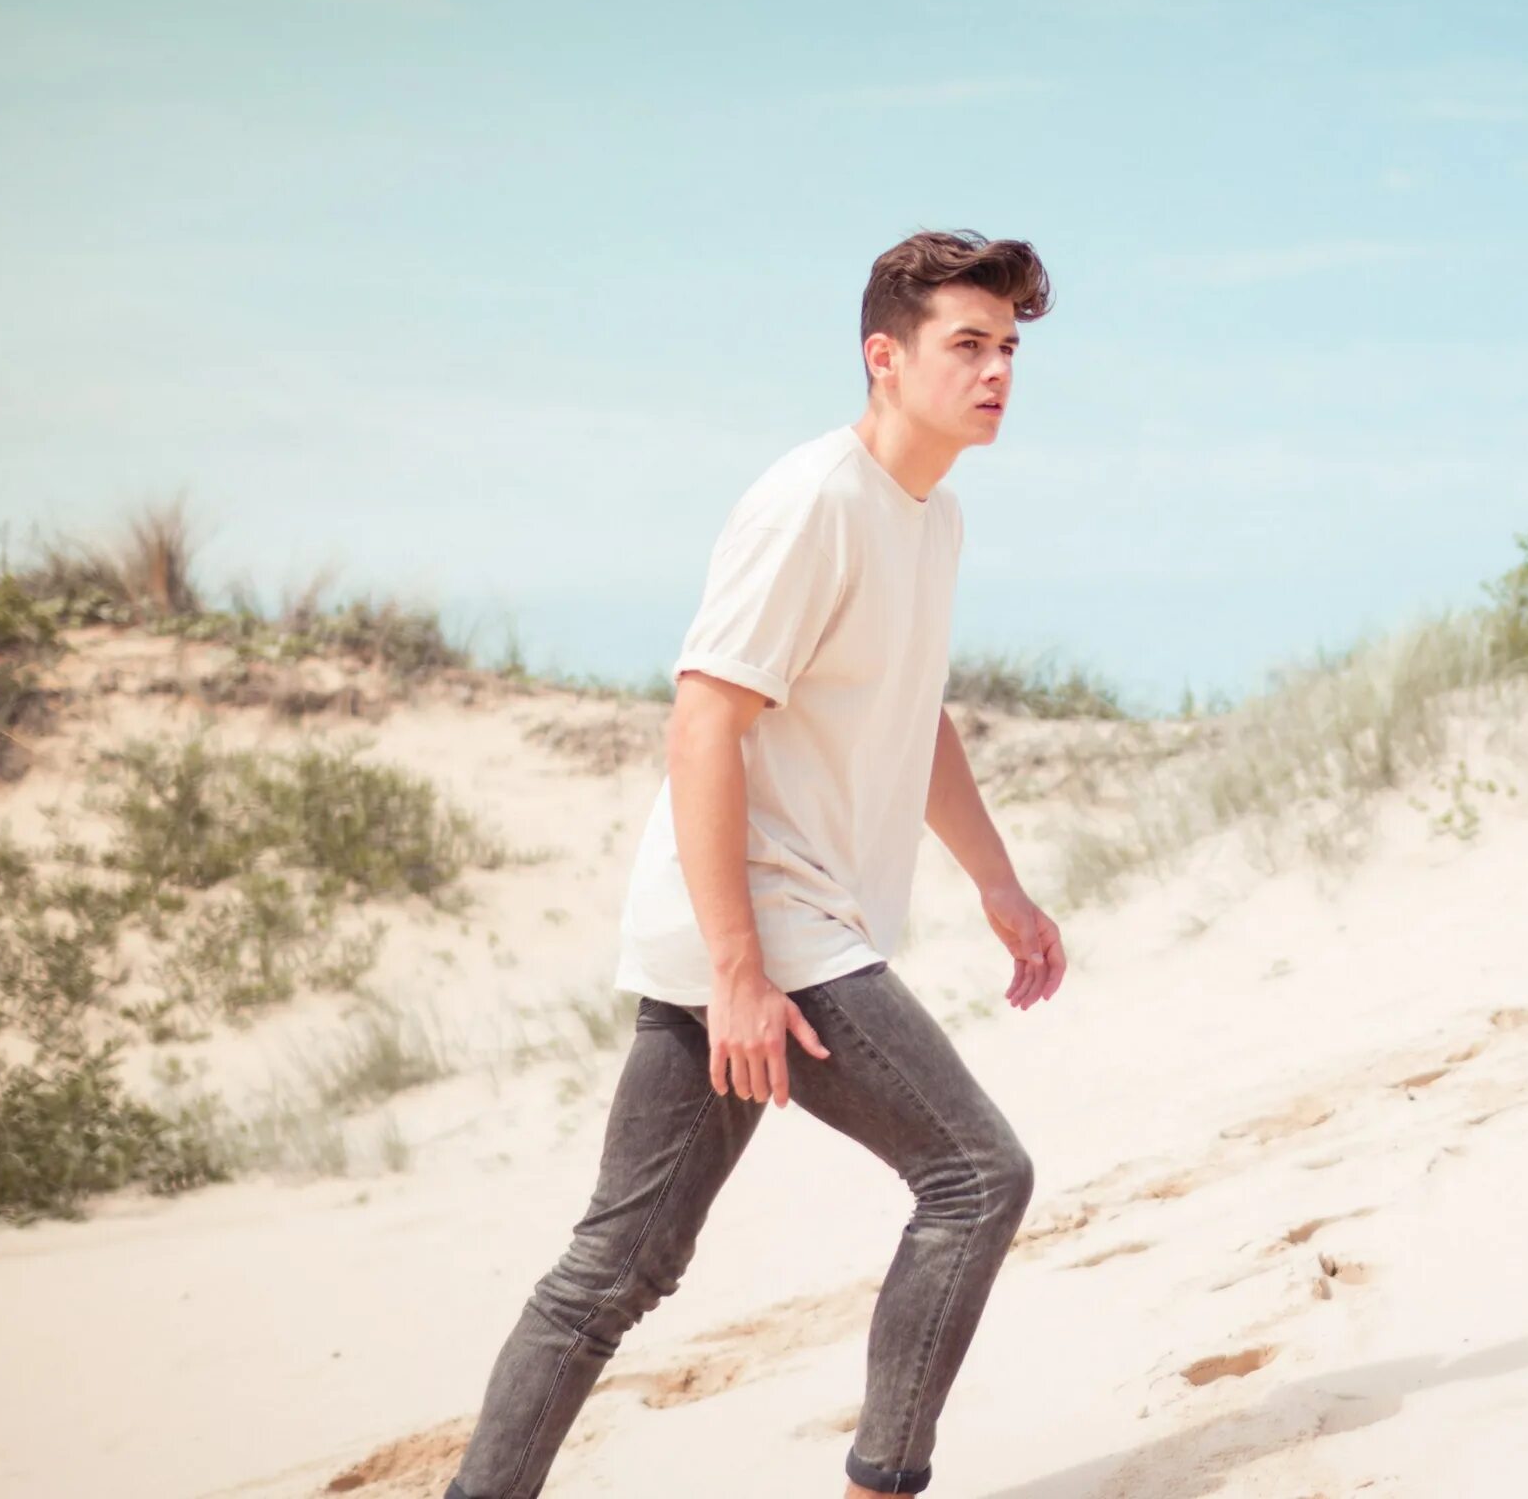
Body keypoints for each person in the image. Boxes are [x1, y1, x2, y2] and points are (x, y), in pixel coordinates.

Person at [444, 229, 1069, 1498]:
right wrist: (737, 968)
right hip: (765, 926)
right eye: (968, 344)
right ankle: (881, 1484)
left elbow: (916, 708)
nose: (997, 368)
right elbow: (703, 718)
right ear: (882, 358)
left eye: (1008, 347)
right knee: (976, 1174)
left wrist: (996, 881)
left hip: (771, 926)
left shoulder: (930, 518)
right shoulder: (813, 501)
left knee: (621, 1262)